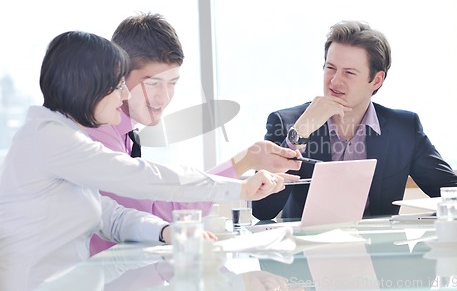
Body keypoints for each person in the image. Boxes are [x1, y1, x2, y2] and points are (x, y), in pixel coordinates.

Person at [0, 31, 290, 290]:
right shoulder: (50, 139)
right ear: (86, 88)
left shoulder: (66, 143)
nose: (124, 95)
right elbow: (142, 178)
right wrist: (236, 188)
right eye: (117, 86)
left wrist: (165, 231)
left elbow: (111, 216)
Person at [86, 13, 301, 254]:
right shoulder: (101, 132)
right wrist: (244, 163)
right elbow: (161, 214)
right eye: (153, 83)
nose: (164, 97)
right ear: (120, 75)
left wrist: (248, 159)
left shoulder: (125, 133)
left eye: (172, 83)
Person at [252, 20, 457, 221]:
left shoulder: (404, 128)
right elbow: (262, 210)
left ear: (377, 80)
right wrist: (300, 134)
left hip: (379, 262)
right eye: (330, 68)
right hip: (304, 267)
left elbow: (450, 191)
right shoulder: (287, 123)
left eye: (349, 72)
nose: (335, 81)